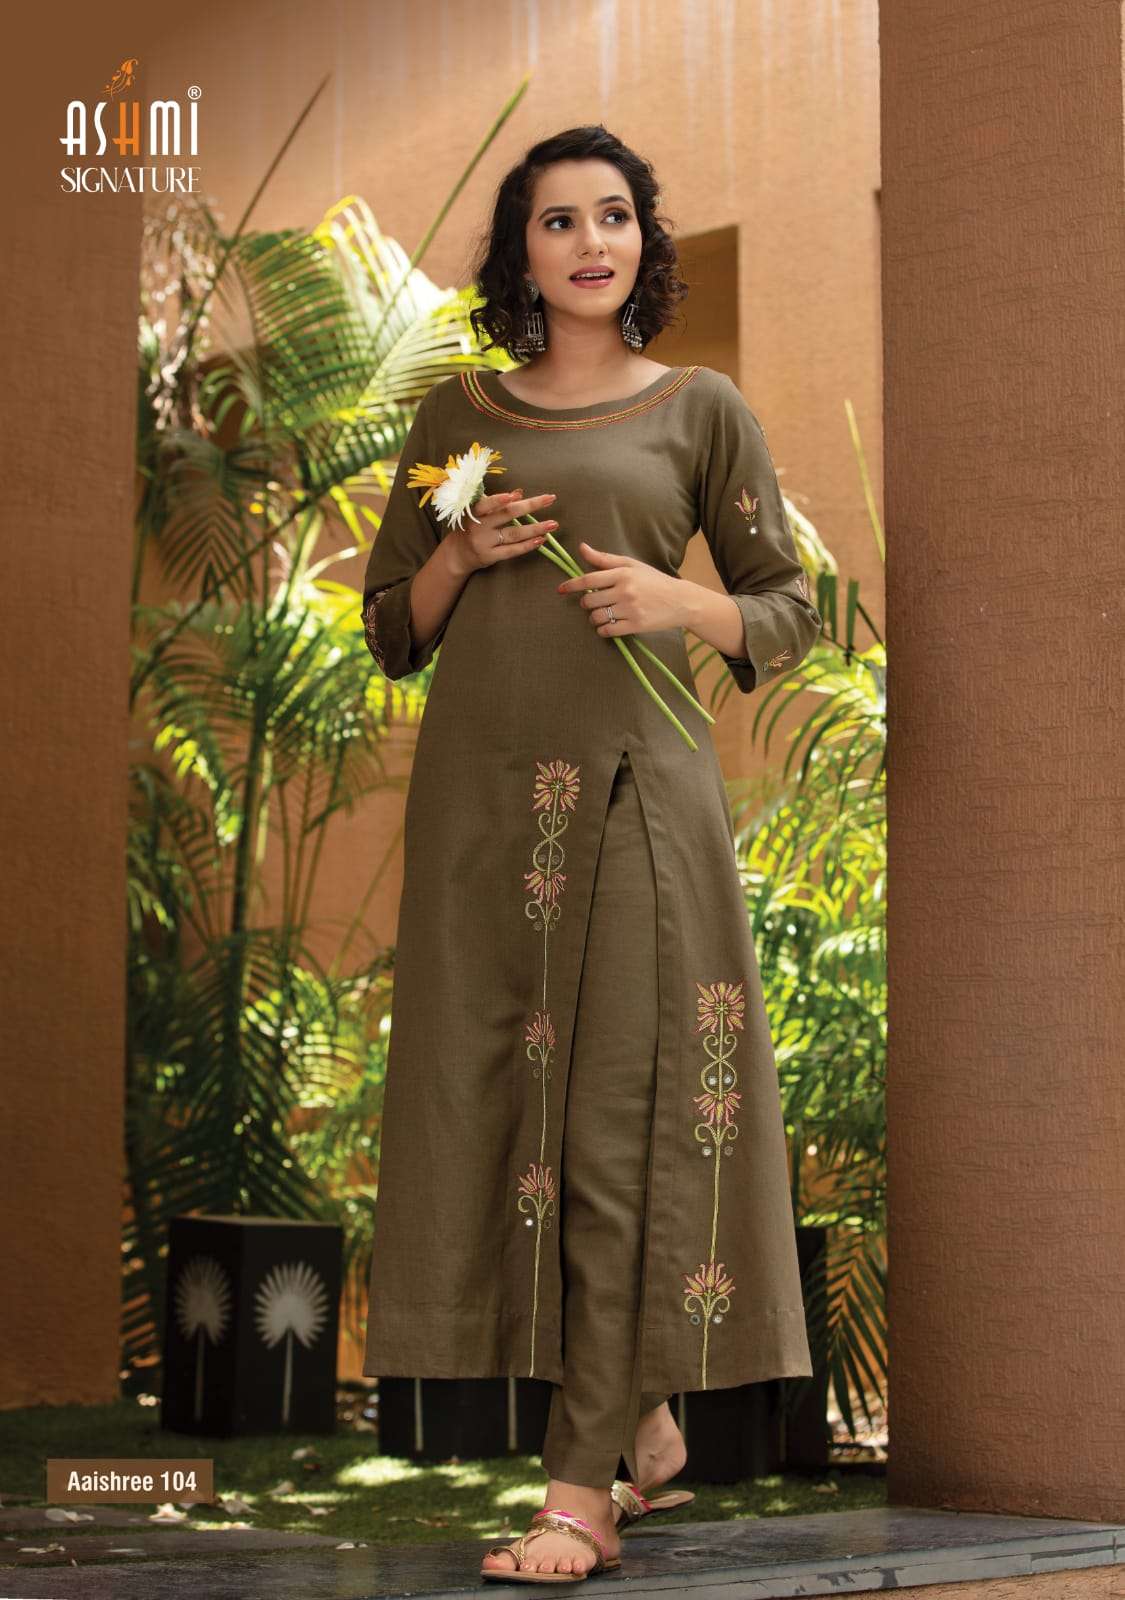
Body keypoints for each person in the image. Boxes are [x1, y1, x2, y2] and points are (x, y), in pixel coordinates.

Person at [358, 124, 821, 1586]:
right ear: (522, 252)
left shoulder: (699, 410)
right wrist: (463, 552)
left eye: (612, 216)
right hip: (483, 820)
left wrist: (678, 605)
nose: (589, 242)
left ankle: (579, 1496)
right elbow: (391, 625)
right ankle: (648, 1416)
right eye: (557, 221)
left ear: (642, 239)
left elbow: (788, 605)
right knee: (510, 1120)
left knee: (618, 1129)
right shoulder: (457, 416)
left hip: (634, 806)